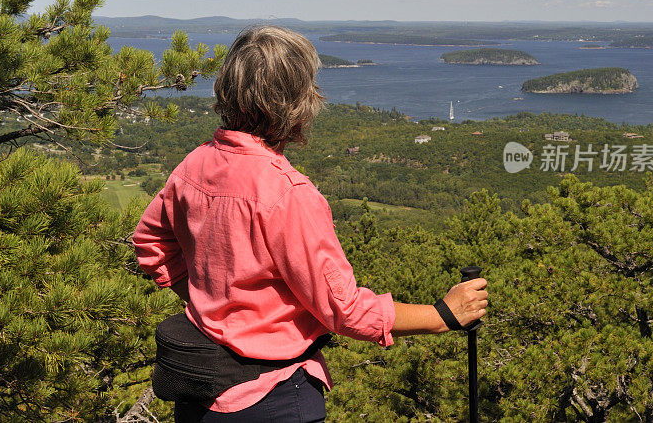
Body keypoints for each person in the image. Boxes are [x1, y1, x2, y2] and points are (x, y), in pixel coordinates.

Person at [133, 26, 488, 422]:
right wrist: (443, 315)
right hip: (273, 398)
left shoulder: (194, 166)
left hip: (199, 389)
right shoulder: (288, 194)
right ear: (295, 103)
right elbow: (345, 310)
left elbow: (151, 243)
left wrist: (210, 303)